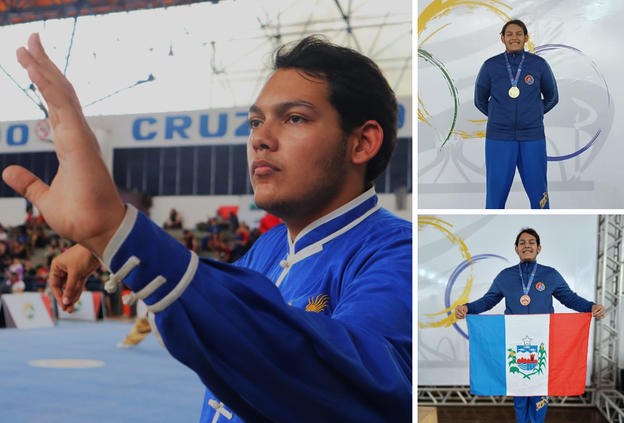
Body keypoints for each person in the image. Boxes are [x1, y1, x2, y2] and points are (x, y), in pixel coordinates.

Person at [3, 33, 411, 422]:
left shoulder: (401, 254)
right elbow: (223, 306)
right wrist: (102, 246)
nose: (260, 139)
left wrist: (118, 235)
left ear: (362, 143)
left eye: (295, 118)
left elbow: (353, 389)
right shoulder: (270, 246)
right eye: (254, 122)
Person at [455, 228, 605, 423]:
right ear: (516, 249)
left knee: (539, 393)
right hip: (515, 344)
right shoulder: (505, 276)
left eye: (531, 242)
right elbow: (487, 301)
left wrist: (591, 306)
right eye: (523, 243)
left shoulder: (550, 275)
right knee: (519, 394)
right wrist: (466, 307)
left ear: (539, 248)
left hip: (543, 343)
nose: (527, 245)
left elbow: (570, 299)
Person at [474, 19, 559, 209]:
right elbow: (479, 100)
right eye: (509, 34)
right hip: (499, 138)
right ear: (502, 38)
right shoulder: (490, 65)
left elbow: (552, 97)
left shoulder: (539, 65)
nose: (514, 38)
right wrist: (499, 117)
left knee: (540, 199)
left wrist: (533, 115)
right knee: (495, 201)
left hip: (532, 136)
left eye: (519, 34)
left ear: (526, 37)